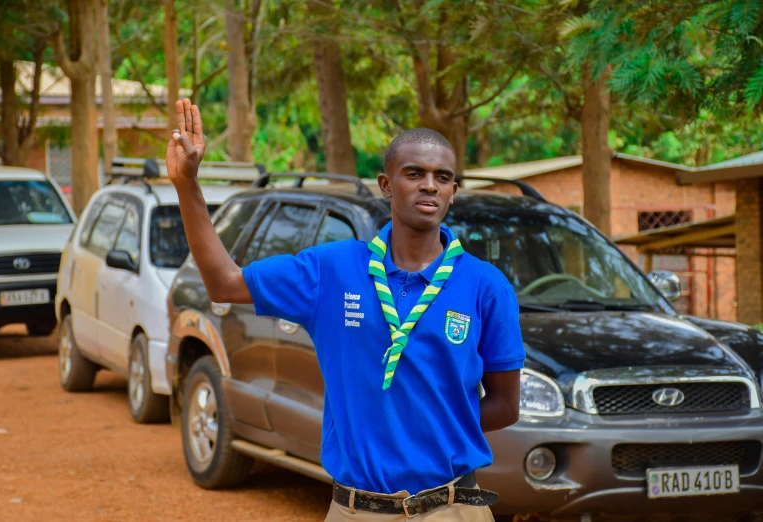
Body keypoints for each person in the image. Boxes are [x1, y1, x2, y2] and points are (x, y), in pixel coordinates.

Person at [167, 98, 525, 521]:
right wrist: (187, 183)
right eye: (414, 174)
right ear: (386, 184)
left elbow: (506, 404)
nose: (430, 185)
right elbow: (223, 283)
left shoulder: (486, 286)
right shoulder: (331, 271)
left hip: (452, 509)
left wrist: (425, 429)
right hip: (356, 510)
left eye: (442, 177)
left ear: (452, 193)